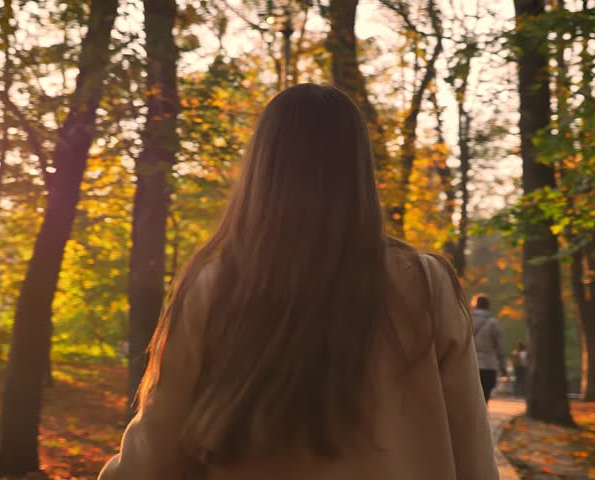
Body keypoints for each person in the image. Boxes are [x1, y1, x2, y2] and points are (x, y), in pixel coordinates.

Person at [99, 84, 497, 480]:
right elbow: (472, 451)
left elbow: (154, 450)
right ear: (358, 168)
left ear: (262, 167)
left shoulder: (216, 286)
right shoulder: (425, 286)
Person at [471, 294, 506, 403]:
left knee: (471, 398)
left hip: (471, 364)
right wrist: (503, 366)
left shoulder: (467, 320)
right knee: (484, 396)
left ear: (475, 305)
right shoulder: (493, 323)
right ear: (488, 306)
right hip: (488, 365)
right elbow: (499, 347)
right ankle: (481, 418)